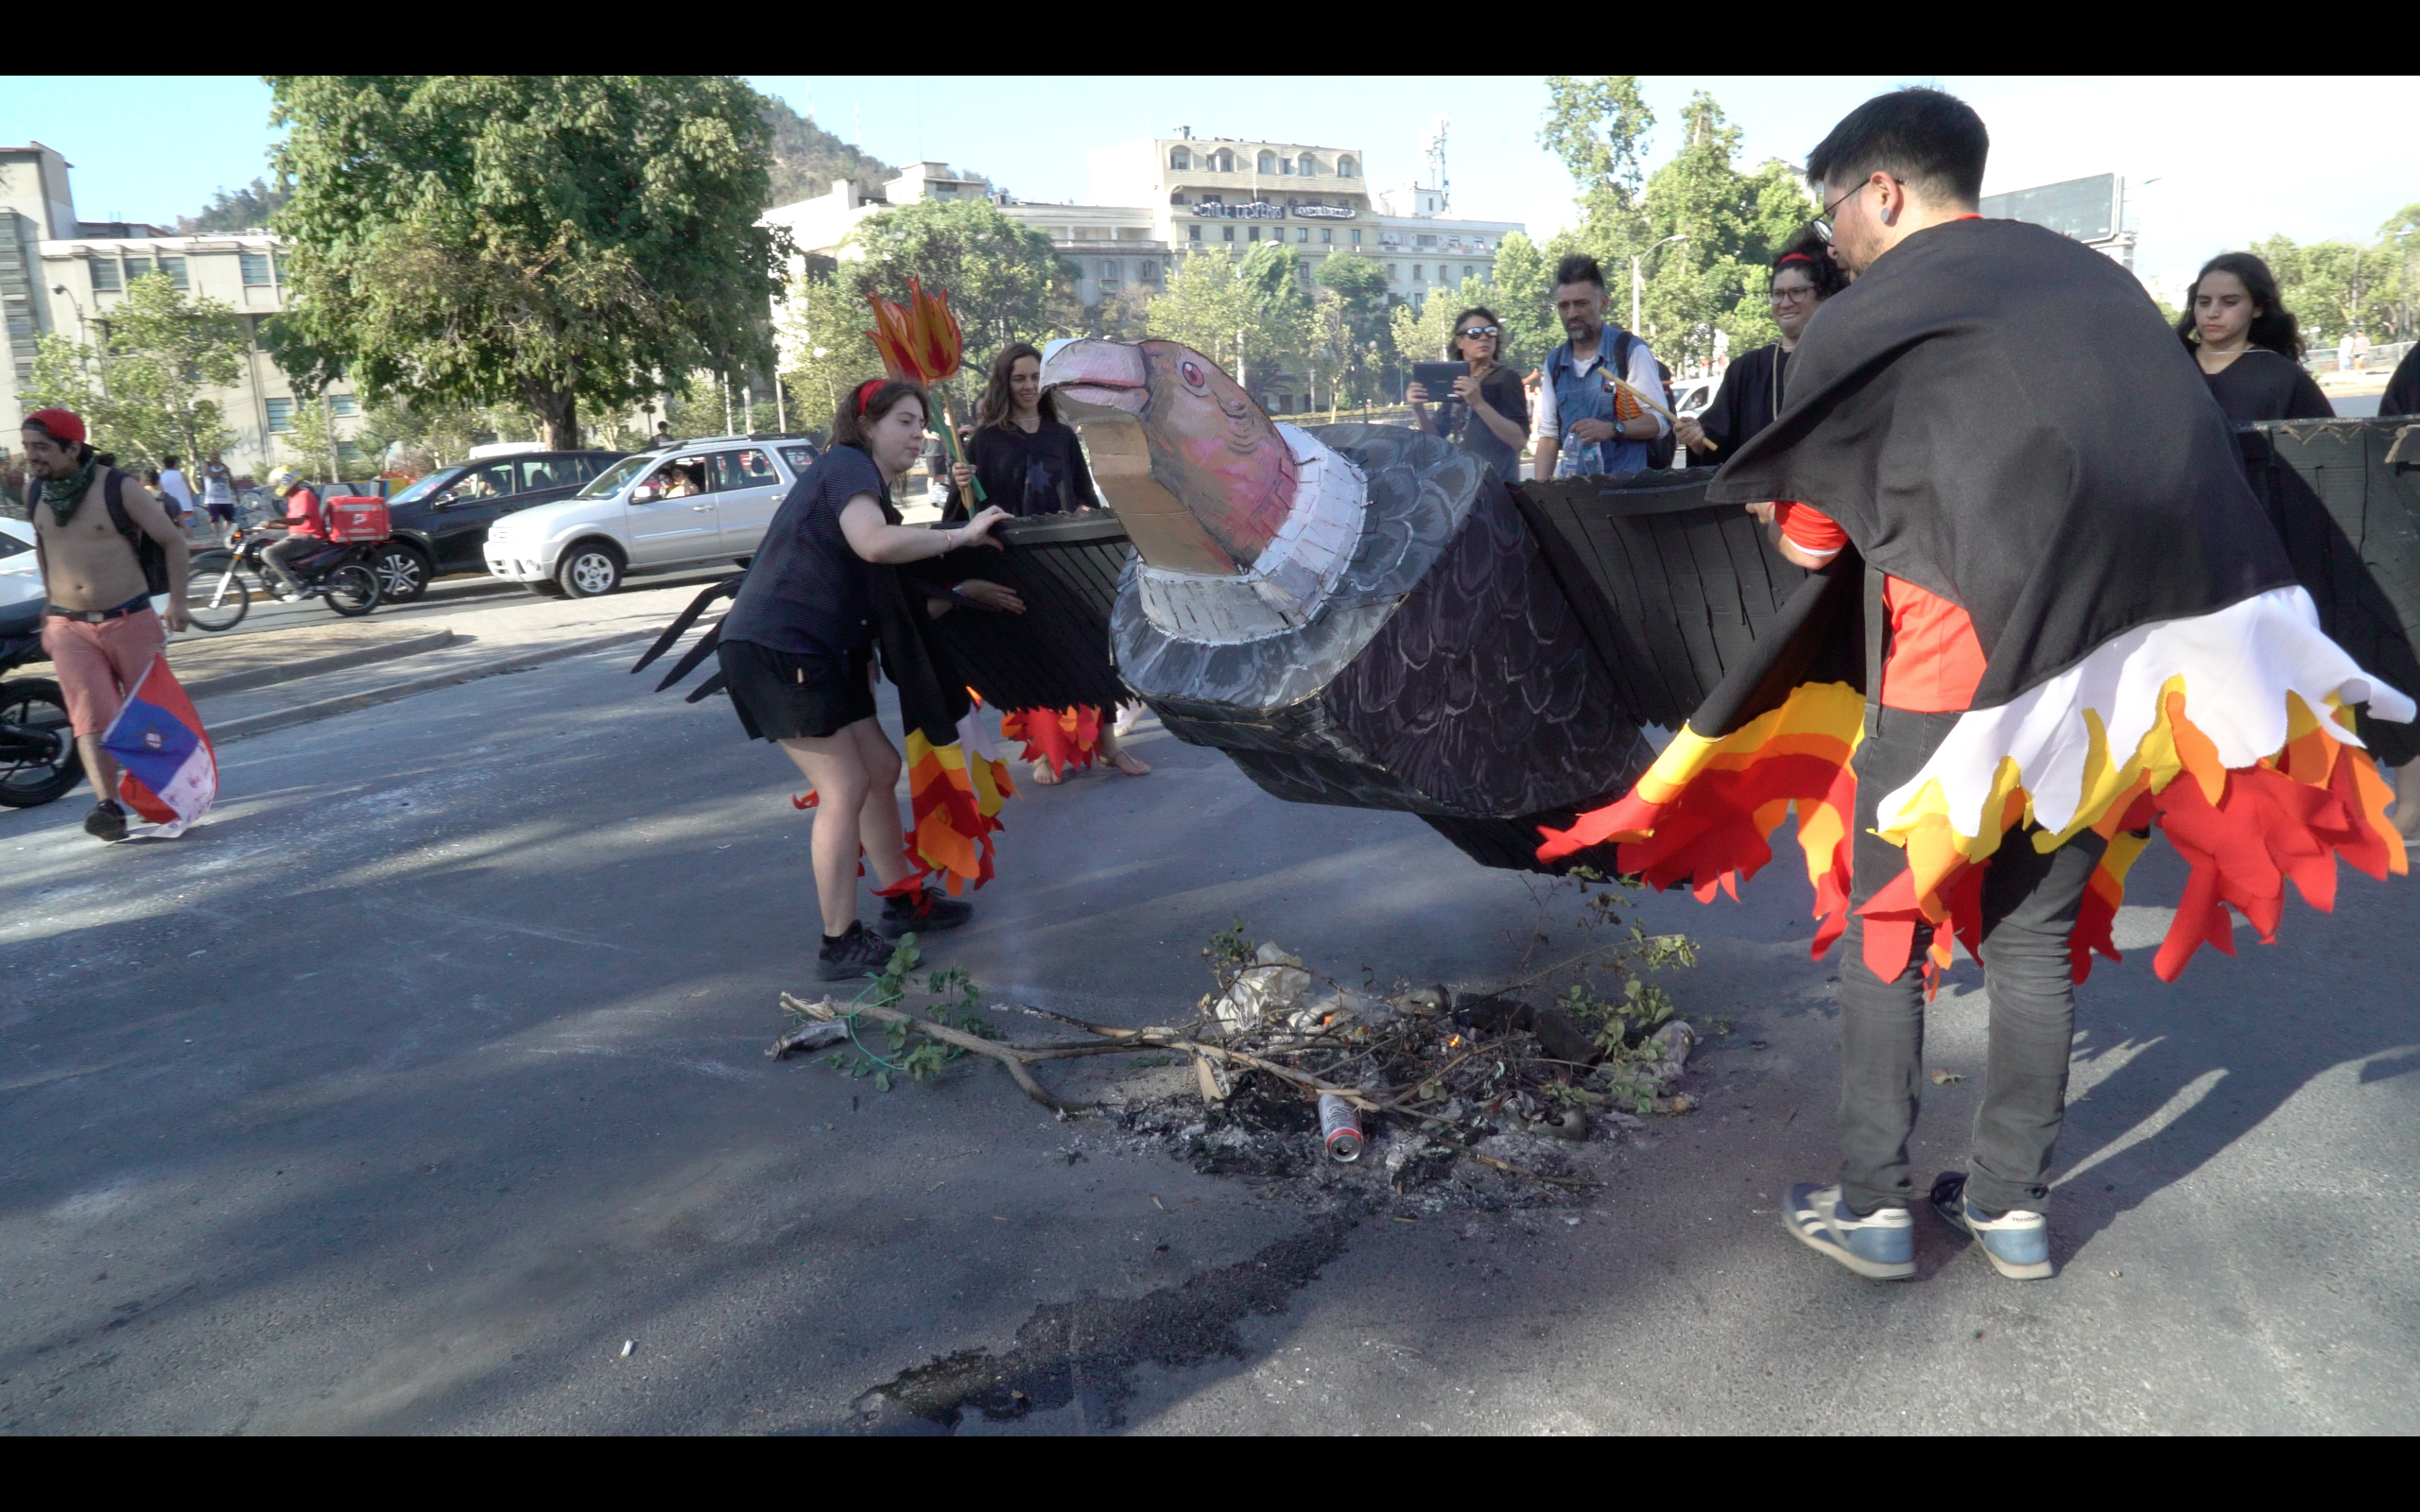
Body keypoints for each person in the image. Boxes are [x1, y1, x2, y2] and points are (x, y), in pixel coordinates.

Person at [1544, 88, 2410, 1287]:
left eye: (1834, 212)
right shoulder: (2099, 284)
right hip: (2132, 679)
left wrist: (1779, 519)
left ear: (1883, 193)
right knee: (2034, 936)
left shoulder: (1861, 319)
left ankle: (1872, 1206)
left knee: (1887, 924)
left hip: (1959, 673)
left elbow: (1809, 547)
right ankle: (2010, 1206)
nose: (1830, 241)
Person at [716, 378, 1024, 980]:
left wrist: (962, 591)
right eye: (905, 421)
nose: (918, 435)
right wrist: (961, 535)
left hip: (824, 651)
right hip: (780, 648)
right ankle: (838, 942)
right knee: (845, 785)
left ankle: (902, 900)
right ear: (866, 425)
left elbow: (896, 599)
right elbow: (874, 545)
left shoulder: (868, 487)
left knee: (879, 768)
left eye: (921, 423)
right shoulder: (848, 465)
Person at [947, 342, 1150, 783]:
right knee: (1034, 655)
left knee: (1093, 649)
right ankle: (1044, 753)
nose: (1028, 386)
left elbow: (1085, 497)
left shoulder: (1061, 436)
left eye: (1035, 378)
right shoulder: (985, 440)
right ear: (1004, 383)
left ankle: (1109, 746)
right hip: (1014, 563)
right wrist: (961, 481)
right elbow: (964, 514)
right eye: (1018, 378)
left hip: (1064, 559)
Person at [20, 408, 191, 842]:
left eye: (41, 447)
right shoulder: (34, 491)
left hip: (129, 620)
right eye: (27, 447)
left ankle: (168, 795)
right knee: (90, 719)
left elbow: (173, 541)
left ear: (73, 448)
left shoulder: (118, 487)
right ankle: (108, 807)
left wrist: (178, 601)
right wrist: (49, 605)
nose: (31, 456)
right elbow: (44, 545)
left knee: (148, 717)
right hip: (68, 627)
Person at [1675, 233, 1849, 466]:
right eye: (1778, 294)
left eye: (1797, 291)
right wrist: (1697, 439)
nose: (1785, 303)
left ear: (1825, 295)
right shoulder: (1746, 370)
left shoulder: (1845, 359)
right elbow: (1717, 447)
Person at [1530, 254, 1670, 480]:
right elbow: (1549, 436)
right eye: (1564, 306)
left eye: (1581, 303)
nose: (1572, 314)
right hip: (1575, 493)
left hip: (1627, 490)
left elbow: (1660, 422)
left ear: (1603, 303)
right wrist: (1539, 493)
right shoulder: (1554, 362)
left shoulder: (1630, 351)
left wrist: (1613, 429)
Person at [2177, 252, 2333, 424]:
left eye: (2229, 302)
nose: (2212, 313)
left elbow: (2325, 439)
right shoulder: (2169, 369)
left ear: (2257, 308)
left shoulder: (2283, 377)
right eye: (2204, 302)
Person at [1407, 306, 1530, 483]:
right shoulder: (1455, 380)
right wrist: (1418, 409)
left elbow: (1519, 440)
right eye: (1475, 333)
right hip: (1462, 486)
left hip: (1497, 486)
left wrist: (1479, 403)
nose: (1484, 338)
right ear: (1460, 342)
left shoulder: (1506, 378)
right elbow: (1434, 439)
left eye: (1491, 332)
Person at [256, 466, 327, 599]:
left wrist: (274, 520)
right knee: (267, 548)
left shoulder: (303, 495)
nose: (277, 487)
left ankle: (297, 587)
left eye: (278, 484)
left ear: (286, 482)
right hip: (299, 536)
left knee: (269, 553)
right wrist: (266, 526)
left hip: (309, 537)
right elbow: (287, 524)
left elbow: (299, 521)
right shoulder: (293, 498)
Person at [199, 453, 237, 541]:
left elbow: (231, 480)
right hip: (213, 499)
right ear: (209, 456)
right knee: (214, 520)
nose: (215, 457)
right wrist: (222, 471)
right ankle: (216, 537)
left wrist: (236, 494)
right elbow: (211, 475)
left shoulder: (224, 466)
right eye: (213, 455)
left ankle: (228, 536)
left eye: (217, 455)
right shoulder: (206, 465)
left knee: (229, 519)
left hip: (226, 499)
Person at [154, 454, 195, 530]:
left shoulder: (160, 477)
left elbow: (160, 492)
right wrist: (191, 502)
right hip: (186, 506)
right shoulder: (182, 474)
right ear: (176, 463)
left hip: (170, 507)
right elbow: (190, 490)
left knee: (175, 527)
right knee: (189, 526)